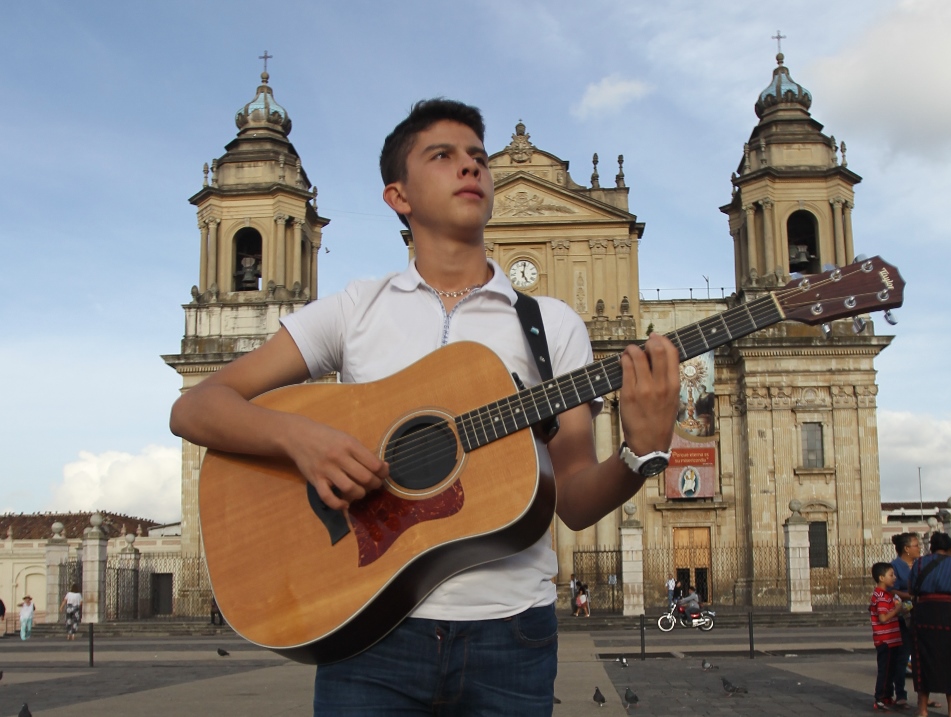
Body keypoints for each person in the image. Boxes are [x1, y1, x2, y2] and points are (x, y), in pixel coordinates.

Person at [169, 98, 680, 716]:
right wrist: (301, 439)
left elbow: (572, 500)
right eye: (442, 155)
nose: (470, 166)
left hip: (512, 636)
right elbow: (196, 408)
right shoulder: (356, 308)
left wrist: (639, 455)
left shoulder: (552, 325)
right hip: (367, 633)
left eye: (477, 156)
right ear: (398, 196)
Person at [909, 532, 951, 717]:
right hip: (950, 615)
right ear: (950, 548)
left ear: (931, 548)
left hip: (924, 614)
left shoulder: (919, 564)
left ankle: (922, 709)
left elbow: (912, 589)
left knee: (922, 660)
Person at [890, 532, 921, 709]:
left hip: (920, 614)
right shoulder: (895, 567)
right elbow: (891, 590)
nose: (919, 548)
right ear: (907, 549)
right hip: (903, 617)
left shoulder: (920, 565)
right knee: (902, 656)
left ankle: (923, 695)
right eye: (916, 545)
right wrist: (910, 596)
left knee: (921, 658)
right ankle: (900, 694)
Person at [870, 562, 904, 711]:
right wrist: (896, 610)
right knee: (885, 670)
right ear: (881, 578)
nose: (894, 577)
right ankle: (880, 698)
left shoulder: (888, 595)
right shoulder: (881, 596)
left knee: (891, 670)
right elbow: (883, 618)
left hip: (892, 639)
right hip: (885, 640)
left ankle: (887, 696)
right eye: (891, 575)